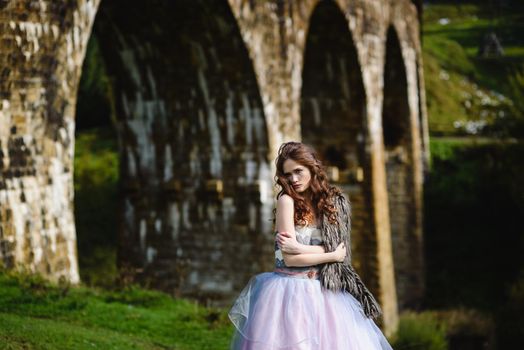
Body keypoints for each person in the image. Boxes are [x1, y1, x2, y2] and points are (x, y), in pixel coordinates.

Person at [228, 141, 393, 349]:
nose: (294, 179)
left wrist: (301, 247)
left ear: (311, 169)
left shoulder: (330, 202)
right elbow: (290, 258)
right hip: (289, 292)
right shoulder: (286, 202)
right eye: (288, 175)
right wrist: (330, 255)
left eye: (298, 171)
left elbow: (341, 249)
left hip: (325, 292)